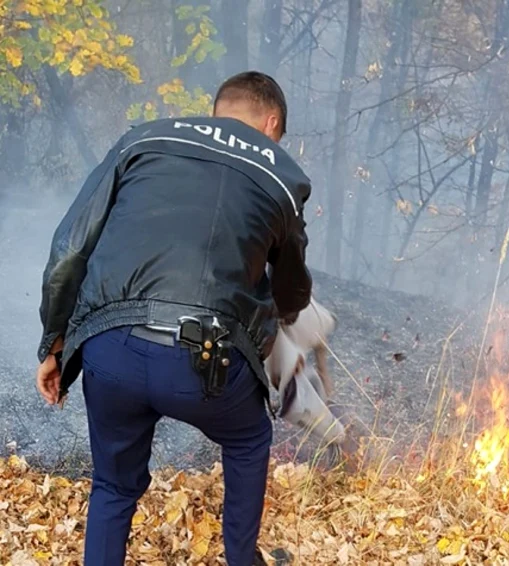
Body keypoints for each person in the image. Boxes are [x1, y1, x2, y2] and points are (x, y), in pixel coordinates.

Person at [34, 71, 312, 566]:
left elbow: (70, 248)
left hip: (110, 346)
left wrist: (53, 343)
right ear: (272, 122)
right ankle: (240, 559)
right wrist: (283, 320)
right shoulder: (282, 175)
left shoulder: (145, 137)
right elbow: (291, 289)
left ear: (217, 110)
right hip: (204, 365)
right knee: (249, 440)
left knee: (112, 487)